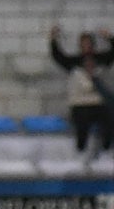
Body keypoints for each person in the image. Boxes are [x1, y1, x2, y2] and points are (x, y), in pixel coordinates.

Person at [49, 26, 114, 155]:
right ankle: (81, 151)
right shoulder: (75, 63)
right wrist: (53, 39)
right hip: (80, 105)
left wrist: (109, 37)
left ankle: (107, 150)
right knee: (81, 123)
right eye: (84, 44)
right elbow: (59, 57)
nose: (86, 46)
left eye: (89, 43)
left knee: (109, 120)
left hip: (98, 104)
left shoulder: (100, 60)